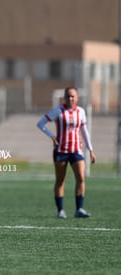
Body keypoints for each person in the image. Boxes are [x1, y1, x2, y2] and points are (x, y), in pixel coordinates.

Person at [37, 86, 96, 219]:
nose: (70, 98)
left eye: (73, 96)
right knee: (60, 180)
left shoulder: (81, 111)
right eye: (68, 96)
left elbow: (84, 131)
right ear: (64, 98)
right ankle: (60, 211)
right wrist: (52, 136)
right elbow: (41, 123)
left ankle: (79, 209)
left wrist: (90, 149)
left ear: (77, 98)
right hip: (61, 150)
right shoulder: (58, 111)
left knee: (81, 177)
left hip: (76, 150)